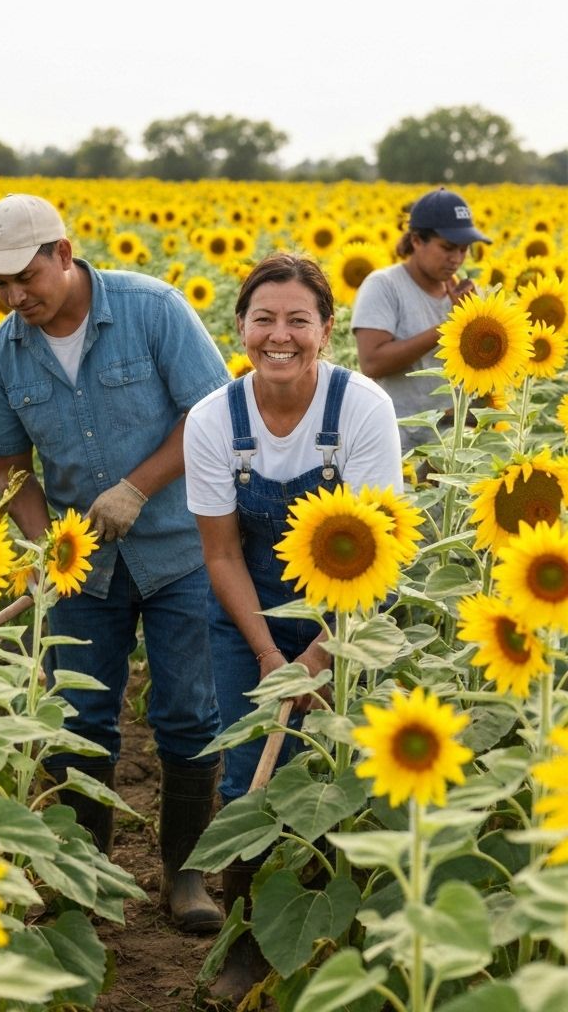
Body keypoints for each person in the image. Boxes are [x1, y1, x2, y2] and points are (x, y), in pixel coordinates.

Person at [0, 193, 229, 934]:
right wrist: (46, 539)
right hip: (85, 565)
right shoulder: (2, 353)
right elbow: (10, 466)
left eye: (26, 278)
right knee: (81, 718)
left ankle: (186, 876)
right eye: (0, 286)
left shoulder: (152, 311)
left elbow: (211, 416)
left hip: (183, 548)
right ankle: (87, 875)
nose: (15, 297)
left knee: (187, 714)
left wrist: (138, 487)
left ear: (63, 253)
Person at [183, 252, 403, 1000]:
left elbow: (382, 548)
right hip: (248, 607)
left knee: (345, 772)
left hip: (355, 607)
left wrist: (321, 652)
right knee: (253, 772)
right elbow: (219, 552)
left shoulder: (361, 408)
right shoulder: (215, 419)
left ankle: (338, 927)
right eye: (263, 320)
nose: (280, 336)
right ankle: (251, 938)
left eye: (298, 321)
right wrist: (272, 653)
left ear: (326, 329)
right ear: (240, 327)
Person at [351, 187, 491, 451]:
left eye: (463, 250)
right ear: (417, 240)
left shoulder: (462, 294)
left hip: (455, 445)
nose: (457, 259)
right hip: (400, 444)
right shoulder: (384, 286)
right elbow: (372, 362)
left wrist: (477, 321)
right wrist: (452, 324)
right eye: (447, 248)